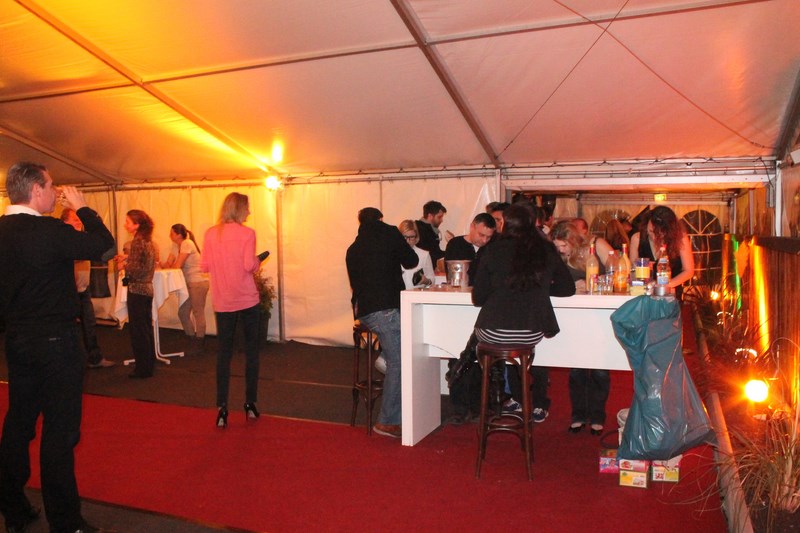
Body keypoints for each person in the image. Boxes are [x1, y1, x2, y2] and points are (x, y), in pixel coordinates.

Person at [0, 162, 114, 533]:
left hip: (17, 341)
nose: (55, 191)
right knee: (60, 433)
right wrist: (84, 208)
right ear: (36, 190)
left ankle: (13, 507)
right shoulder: (49, 231)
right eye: (51, 186)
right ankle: (64, 521)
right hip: (55, 344)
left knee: (19, 424)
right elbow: (106, 247)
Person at [471, 204, 575, 424]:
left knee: (479, 340)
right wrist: (541, 288)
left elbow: (478, 298)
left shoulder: (493, 250)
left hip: (491, 332)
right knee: (531, 351)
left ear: (506, 224)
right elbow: (568, 288)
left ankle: (505, 398)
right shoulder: (545, 249)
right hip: (530, 332)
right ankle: (532, 401)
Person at [346, 207, 418, 438]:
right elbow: (411, 261)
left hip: (364, 311)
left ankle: (384, 357)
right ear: (380, 219)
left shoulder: (353, 249)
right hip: (386, 308)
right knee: (401, 361)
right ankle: (387, 421)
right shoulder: (389, 233)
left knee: (397, 351)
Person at [201, 193, 263, 428]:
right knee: (251, 352)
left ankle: (222, 407)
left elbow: (205, 265)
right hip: (246, 299)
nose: (249, 212)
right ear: (239, 209)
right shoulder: (248, 234)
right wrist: (257, 261)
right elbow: (249, 265)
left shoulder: (210, 233)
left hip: (223, 300)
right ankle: (250, 402)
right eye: (247, 208)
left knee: (223, 354)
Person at [551, 221, 611, 436]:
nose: (561, 250)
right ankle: (578, 415)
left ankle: (597, 416)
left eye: (564, 245)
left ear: (574, 240)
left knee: (600, 368)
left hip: (598, 314)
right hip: (574, 316)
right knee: (576, 368)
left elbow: (617, 271)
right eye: (557, 246)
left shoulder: (596, 244)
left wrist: (593, 282)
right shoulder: (557, 255)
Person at [60, 208, 116, 369]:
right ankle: (69, 361)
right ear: (65, 222)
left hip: (83, 290)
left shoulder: (82, 238)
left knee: (89, 324)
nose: (79, 222)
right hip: (68, 292)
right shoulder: (64, 240)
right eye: (74, 219)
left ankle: (95, 358)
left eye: (79, 219)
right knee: (68, 328)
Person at [118, 210, 158, 379]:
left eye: (128, 222)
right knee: (145, 329)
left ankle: (142, 368)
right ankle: (148, 364)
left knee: (138, 331)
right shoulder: (148, 241)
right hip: (147, 289)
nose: (125, 225)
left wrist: (124, 266)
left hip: (137, 290)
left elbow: (136, 269)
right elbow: (144, 264)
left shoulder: (137, 242)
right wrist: (128, 259)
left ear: (137, 224)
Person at [160, 223, 209, 354]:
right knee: (183, 312)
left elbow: (177, 265)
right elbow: (169, 264)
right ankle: (192, 339)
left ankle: (199, 342)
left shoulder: (187, 243)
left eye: (172, 233)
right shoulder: (176, 246)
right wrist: (158, 263)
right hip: (190, 283)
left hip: (198, 282)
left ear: (178, 235)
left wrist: (168, 265)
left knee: (198, 312)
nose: (169, 236)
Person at [629, 205, 695, 299]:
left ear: (669, 231)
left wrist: (666, 285)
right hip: (645, 295)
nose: (654, 237)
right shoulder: (637, 238)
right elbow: (633, 270)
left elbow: (689, 271)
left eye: (659, 234)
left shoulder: (680, 239)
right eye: (651, 231)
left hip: (671, 296)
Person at [444, 212, 496, 281]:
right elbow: (452, 275)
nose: (484, 240)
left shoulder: (493, 247)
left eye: (489, 237)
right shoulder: (455, 244)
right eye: (481, 235)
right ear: (472, 227)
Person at [397, 220, 435, 289]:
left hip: (416, 294)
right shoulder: (393, 253)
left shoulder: (424, 255)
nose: (407, 241)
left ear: (416, 237)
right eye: (404, 237)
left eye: (411, 237)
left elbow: (432, 279)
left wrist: (426, 281)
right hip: (398, 294)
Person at [416, 200, 452, 269]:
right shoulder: (420, 230)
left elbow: (435, 253)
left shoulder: (429, 230)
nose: (442, 220)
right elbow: (432, 255)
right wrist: (452, 246)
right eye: (439, 217)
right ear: (430, 216)